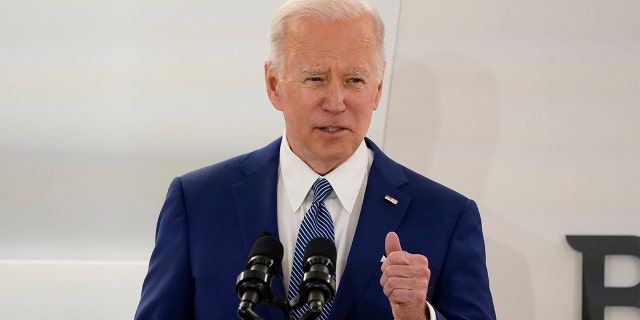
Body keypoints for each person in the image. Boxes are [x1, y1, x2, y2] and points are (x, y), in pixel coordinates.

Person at [135, 0, 496, 319]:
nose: (336, 102)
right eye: (315, 78)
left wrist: (419, 317)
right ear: (274, 84)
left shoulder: (446, 217)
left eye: (355, 79)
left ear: (378, 90)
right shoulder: (198, 202)